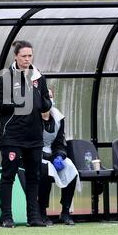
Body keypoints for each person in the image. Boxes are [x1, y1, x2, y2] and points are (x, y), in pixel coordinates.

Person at [0, 40, 51, 228]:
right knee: (8, 176)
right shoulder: (4, 77)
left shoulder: (38, 76)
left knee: (34, 176)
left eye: (30, 55)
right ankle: (7, 217)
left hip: (34, 137)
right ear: (16, 56)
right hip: (12, 136)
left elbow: (46, 102)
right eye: (23, 56)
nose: (27, 59)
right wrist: (17, 101)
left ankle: (34, 216)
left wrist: (44, 102)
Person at [39, 89, 81, 226]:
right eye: (46, 97)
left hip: (52, 154)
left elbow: (60, 143)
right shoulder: (31, 117)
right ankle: (42, 212)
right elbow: (30, 142)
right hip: (36, 154)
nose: (49, 100)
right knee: (45, 171)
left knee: (71, 169)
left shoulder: (58, 117)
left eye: (51, 97)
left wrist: (59, 156)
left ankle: (65, 211)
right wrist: (46, 156)